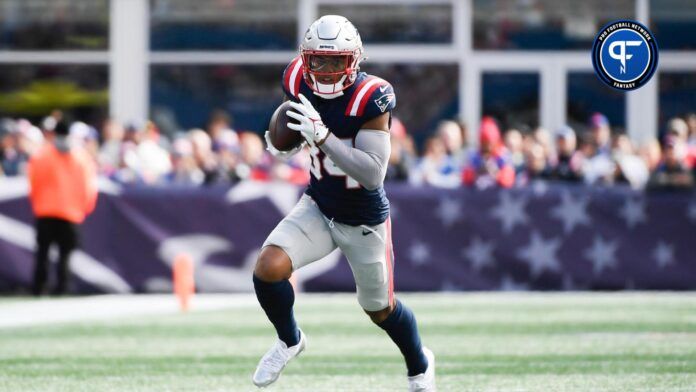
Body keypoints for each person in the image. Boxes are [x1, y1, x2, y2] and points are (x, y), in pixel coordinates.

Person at [253, 15, 435, 391]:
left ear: (354, 60)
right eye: (318, 59)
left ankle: (419, 365)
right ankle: (290, 340)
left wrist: (322, 136)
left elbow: (372, 174)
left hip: (363, 218)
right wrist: (282, 142)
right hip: (319, 204)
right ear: (306, 58)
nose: (326, 69)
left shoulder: (372, 97)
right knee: (269, 267)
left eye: (336, 60)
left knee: (379, 309)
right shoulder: (295, 78)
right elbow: (293, 124)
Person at [27, 121, 98, 296]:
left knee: (42, 254)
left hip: (45, 211)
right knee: (65, 255)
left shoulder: (41, 156)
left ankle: (39, 288)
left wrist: (38, 204)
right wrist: (84, 208)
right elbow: (89, 187)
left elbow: (32, 183)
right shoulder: (81, 157)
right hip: (70, 213)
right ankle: (62, 288)